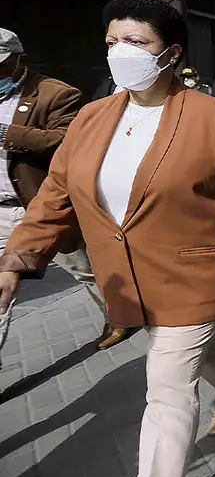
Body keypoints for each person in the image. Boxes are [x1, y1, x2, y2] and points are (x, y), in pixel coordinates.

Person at [0, 0, 215, 477]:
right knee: (187, 349)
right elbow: (55, 195)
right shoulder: (92, 117)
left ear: (170, 54)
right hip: (127, 276)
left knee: (166, 390)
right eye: (113, 41)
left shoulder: (212, 116)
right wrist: (16, 261)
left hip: (194, 272)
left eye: (136, 42)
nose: (121, 52)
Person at [0, 28, 129, 360]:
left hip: (40, 204)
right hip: (0, 209)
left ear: (17, 59)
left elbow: (65, 139)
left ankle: (119, 314)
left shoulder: (55, 93)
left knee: (83, 268)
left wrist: (7, 133)